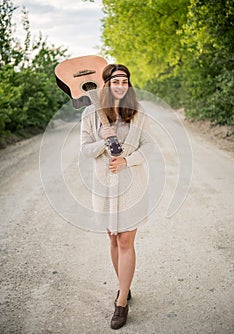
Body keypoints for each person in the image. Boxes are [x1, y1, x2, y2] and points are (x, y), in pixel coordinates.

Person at [80, 64, 154, 330]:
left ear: (129, 84)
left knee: (125, 240)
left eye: (124, 80)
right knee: (112, 237)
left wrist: (127, 161)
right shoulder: (91, 113)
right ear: (107, 85)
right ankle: (125, 285)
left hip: (132, 183)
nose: (120, 85)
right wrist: (103, 141)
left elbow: (149, 146)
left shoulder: (138, 112)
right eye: (115, 81)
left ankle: (121, 301)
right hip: (104, 186)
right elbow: (86, 150)